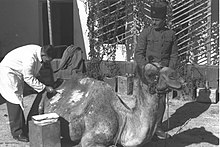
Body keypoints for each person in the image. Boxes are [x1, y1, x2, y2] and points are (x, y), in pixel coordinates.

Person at [134, 1, 178, 139]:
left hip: (162, 75)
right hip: (146, 74)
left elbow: (174, 55)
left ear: (164, 20)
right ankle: (143, 127)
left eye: (157, 20)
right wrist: (146, 67)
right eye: (152, 19)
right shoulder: (146, 33)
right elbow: (138, 54)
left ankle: (157, 127)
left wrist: (168, 71)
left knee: (160, 102)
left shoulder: (171, 34)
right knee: (145, 102)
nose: (154, 22)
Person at [0, 44, 57, 142]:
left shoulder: (38, 52)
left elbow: (33, 73)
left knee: (19, 101)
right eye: (48, 60)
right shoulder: (30, 57)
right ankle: (17, 133)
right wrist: (44, 87)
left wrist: (43, 85)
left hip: (16, 73)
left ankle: (24, 128)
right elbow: (28, 77)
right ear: (43, 54)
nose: (48, 62)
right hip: (8, 73)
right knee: (14, 101)